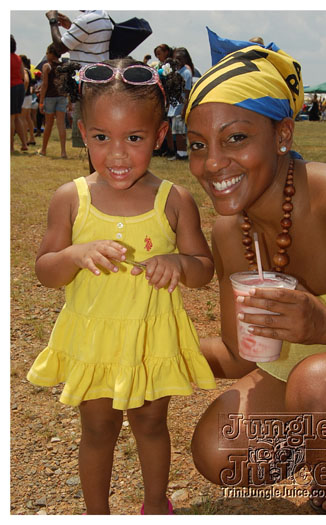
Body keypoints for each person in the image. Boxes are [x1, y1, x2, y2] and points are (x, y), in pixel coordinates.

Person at [26, 57, 216, 515]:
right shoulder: (71, 198)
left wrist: (177, 263)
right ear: (82, 129)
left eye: (133, 138)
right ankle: (97, 514)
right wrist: (73, 255)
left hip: (150, 336)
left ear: (159, 134)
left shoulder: (175, 201)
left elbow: (204, 269)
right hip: (93, 341)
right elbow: (45, 270)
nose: (116, 154)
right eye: (100, 137)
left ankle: (155, 506)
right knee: (97, 430)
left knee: (152, 424)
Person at [185, 38, 326, 514]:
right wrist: (155, 349)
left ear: (282, 135)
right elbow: (240, 357)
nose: (212, 163)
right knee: (222, 451)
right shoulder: (233, 233)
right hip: (315, 382)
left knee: (320, 386)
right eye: (197, 145)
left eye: (235, 138)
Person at [45, 10, 113, 162]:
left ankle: (96, 181)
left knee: (91, 136)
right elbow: (89, 44)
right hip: (100, 80)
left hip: (88, 84)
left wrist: (52, 21)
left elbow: (60, 47)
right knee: (96, 135)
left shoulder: (86, 20)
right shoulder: (102, 16)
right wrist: (71, 27)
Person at [37, 44, 68, 158]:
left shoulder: (47, 66)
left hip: (50, 97)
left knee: (48, 124)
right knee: (61, 124)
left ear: (51, 53)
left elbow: (44, 85)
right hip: (62, 96)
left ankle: (43, 149)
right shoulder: (63, 66)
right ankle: (63, 151)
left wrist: (41, 101)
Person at [167, 48, 193, 161]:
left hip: (180, 107)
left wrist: (184, 108)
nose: (177, 61)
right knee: (176, 132)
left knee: (180, 132)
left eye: (179, 58)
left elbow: (187, 92)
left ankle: (182, 153)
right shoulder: (176, 72)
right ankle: (178, 151)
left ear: (184, 59)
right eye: (175, 58)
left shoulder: (186, 73)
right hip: (174, 106)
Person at [10, 35, 28, 153]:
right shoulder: (17, 58)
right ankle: (24, 144)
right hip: (19, 87)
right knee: (17, 117)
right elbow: (23, 75)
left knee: (10, 118)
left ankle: (10, 147)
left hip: (10, 87)